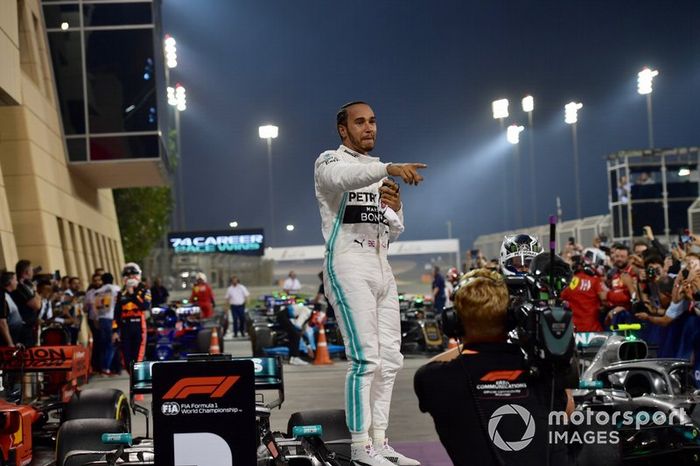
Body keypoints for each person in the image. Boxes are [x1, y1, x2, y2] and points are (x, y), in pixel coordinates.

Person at [314, 101, 426, 466]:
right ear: (343, 130)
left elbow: (393, 231)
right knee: (365, 359)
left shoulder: (380, 174)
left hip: (381, 265)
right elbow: (342, 180)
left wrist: (395, 207)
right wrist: (388, 168)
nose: (369, 128)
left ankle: (381, 443)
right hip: (348, 264)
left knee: (390, 360)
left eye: (373, 121)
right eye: (360, 122)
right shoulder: (329, 161)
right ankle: (360, 446)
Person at [414, 269, 570, 466]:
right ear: (510, 320)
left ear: (455, 323)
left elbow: (430, 368)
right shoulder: (544, 374)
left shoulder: (433, 380)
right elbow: (567, 412)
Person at [113, 263, 151, 374]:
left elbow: (145, 307)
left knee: (138, 358)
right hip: (125, 327)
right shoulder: (120, 294)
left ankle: (139, 388)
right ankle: (134, 381)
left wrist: (133, 294)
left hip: (139, 326)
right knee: (127, 360)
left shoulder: (144, 291)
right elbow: (116, 313)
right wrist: (115, 331)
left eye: (133, 274)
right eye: (127, 275)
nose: (130, 277)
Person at [561, 249, 608, 332]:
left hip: (574, 330)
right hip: (593, 330)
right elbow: (606, 299)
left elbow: (562, 296)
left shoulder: (573, 279)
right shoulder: (596, 281)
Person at [94, 273, 120, 375]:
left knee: (103, 344)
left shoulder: (98, 291)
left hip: (101, 318)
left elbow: (95, 307)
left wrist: (96, 319)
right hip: (112, 318)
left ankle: (103, 367)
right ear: (112, 279)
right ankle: (107, 367)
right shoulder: (116, 289)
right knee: (112, 343)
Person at [11, 260, 41, 347]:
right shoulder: (20, 287)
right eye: (31, 270)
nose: (33, 272)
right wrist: (35, 290)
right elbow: (37, 305)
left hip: (29, 327)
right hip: (23, 329)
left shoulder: (26, 286)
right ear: (26, 272)